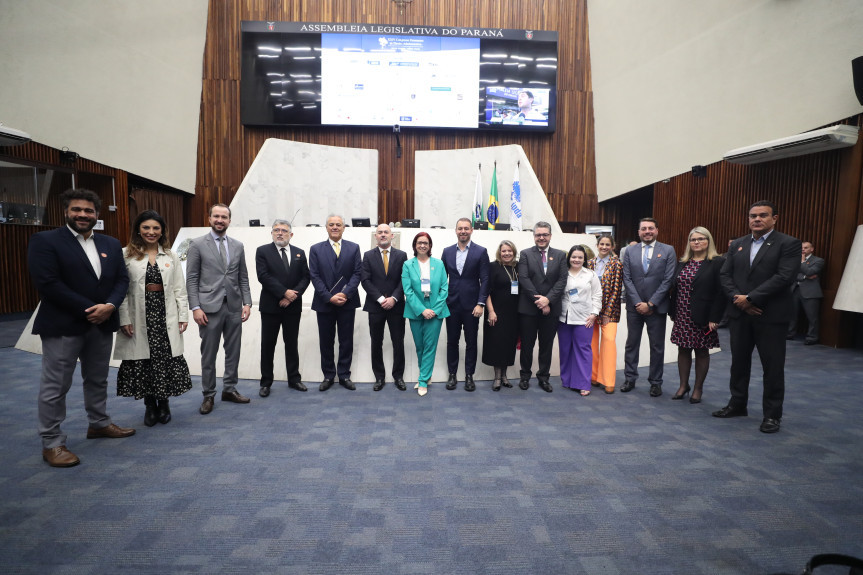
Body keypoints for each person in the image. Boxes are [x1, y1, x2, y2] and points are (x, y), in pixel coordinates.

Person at [28, 188, 134, 467]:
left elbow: (122, 280)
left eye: (88, 211)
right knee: (56, 385)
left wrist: (110, 306)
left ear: (97, 215)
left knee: (97, 379)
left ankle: (98, 423)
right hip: (64, 325)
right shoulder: (45, 241)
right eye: (77, 210)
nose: (83, 215)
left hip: (101, 324)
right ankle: (52, 442)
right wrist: (91, 309)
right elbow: (48, 283)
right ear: (66, 211)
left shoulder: (111, 244)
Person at [715, 200, 801, 434]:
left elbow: (784, 277)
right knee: (739, 363)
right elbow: (725, 275)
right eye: (753, 215)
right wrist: (740, 301)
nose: (757, 219)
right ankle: (737, 404)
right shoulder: (738, 245)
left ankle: (772, 415)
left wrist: (751, 299)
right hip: (740, 315)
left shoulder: (788, 244)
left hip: (770, 316)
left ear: (775, 218)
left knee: (772, 367)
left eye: (763, 215)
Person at [114, 210, 193, 426]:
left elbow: (179, 289)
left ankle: (164, 402)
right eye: (146, 227)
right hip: (139, 317)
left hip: (164, 316)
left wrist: (183, 316)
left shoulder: (171, 256)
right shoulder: (126, 255)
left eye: (156, 228)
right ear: (138, 230)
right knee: (144, 362)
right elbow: (121, 291)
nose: (151, 232)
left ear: (162, 231)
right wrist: (124, 319)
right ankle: (150, 405)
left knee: (163, 360)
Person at [186, 203, 253, 414]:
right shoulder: (197, 244)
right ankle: (209, 395)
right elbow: (192, 278)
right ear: (209, 219)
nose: (220, 220)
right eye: (216, 216)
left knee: (233, 352)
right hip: (208, 308)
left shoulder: (238, 245)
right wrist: (195, 307)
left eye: (224, 217)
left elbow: (243, 277)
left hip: (233, 306)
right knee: (209, 354)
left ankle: (230, 389)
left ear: (229, 220)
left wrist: (247, 302)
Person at [668, 227, 725, 404]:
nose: (697, 242)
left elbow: (721, 292)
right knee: (683, 350)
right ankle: (683, 385)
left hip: (704, 316)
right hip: (682, 314)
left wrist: (715, 318)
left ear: (709, 241)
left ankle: (698, 388)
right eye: (693, 240)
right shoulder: (683, 261)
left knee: (701, 351)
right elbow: (676, 288)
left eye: (701, 239)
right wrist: (673, 312)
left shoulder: (716, 262)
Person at [621, 217, 677, 397]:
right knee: (632, 344)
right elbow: (627, 278)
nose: (647, 231)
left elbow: (669, 280)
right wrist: (639, 303)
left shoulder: (668, 250)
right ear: (638, 232)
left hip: (657, 308)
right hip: (634, 308)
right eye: (643, 228)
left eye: (650, 228)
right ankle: (630, 378)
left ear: (657, 230)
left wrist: (651, 303)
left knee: (657, 346)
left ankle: (655, 382)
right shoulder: (630, 251)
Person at [255, 219, 310, 398]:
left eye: (284, 231)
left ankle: (294, 379)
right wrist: (284, 293)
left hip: (292, 307)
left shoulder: (299, 253)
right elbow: (263, 276)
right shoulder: (263, 251)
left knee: (291, 344)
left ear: (291, 234)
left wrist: (293, 296)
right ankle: (266, 382)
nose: (280, 233)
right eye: (276, 230)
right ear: (272, 233)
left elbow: (305, 278)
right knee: (267, 345)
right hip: (271, 306)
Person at [308, 214, 362, 391]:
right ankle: (329, 375)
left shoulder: (354, 248)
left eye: (338, 224)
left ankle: (344, 375)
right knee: (326, 340)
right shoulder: (316, 249)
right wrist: (329, 296)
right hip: (324, 303)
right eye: (331, 224)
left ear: (344, 227)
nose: (335, 227)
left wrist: (345, 294)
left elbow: (357, 274)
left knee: (346, 340)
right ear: (326, 227)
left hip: (347, 302)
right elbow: (314, 276)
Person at [517, 221, 568, 392]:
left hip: (551, 309)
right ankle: (524, 376)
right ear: (534, 236)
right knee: (527, 345)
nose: (541, 237)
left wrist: (548, 300)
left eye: (545, 234)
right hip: (529, 309)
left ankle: (543, 377)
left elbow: (562, 281)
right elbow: (524, 279)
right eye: (538, 234)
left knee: (546, 345)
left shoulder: (560, 255)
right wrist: (539, 301)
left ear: (550, 236)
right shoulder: (525, 254)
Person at [441, 217, 490, 392]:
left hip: (472, 307)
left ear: (471, 230)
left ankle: (469, 375)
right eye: (460, 228)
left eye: (466, 228)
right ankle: (452, 375)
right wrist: (440, 302)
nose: (463, 231)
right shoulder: (446, 252)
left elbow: (485, 279)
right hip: (451, 305)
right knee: (452, 342)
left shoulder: (481, 251)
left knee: (471, 342)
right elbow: (441, 279)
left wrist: (481, 303)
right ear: (455, 231)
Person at [401, 232, 450, 396]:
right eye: (419, 242)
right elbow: (407, 290)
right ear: (415, 245)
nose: (422, 245)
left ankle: (422, 381)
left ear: (430, 246)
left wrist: (434, 310)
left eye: (426, 243)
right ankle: (426, 374)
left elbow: (444, 288)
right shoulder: (408, 265)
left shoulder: (439, 264)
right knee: (420, 345)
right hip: (416, 309)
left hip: (436, 309)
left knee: (430, 346)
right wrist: (422, 310)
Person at [361, 223, 408, 391]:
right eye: (379, 232)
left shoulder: (402, 255)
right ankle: (379, 377)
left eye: (386, 232)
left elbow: (404, 279)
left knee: (398, 342)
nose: (382, 235)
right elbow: (365, 280)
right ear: (375, 236)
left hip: (396, 307)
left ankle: (398, 376)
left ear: (392, 235)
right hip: (375, 306)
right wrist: (381, 299)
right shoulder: (367, 256)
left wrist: (394, 298)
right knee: (376, 342)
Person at [558, 245, 603, 395]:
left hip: (584, 318)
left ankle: (583, 383)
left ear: (584, 259)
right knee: (565, 350)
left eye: (580, 257)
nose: (576, 260)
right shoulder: (562, 274)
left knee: (583, 351)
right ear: (569, 258)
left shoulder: (590, 275)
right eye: (574, 257)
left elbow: (597, 295)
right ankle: (568, 380)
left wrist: (594, 313)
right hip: (564, 317)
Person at [586, 234, 623, 394]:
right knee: (592, 343)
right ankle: (593, 376)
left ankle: (608, 380)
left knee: (608, 342)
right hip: (591, 310)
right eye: (602, 244)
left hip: (610, 312)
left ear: (612, 247)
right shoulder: (590, 263)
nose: (604, 247)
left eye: (608, 244)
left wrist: (607, 311)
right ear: (597, 245)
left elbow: (616, 289)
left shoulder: (617, 263)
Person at [482, 240, 521, 391]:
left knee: (508, 345)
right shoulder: (493, 267)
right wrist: (491, 311)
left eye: (509, 251)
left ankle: (505, 376)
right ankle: (497, 377)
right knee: (496, 344)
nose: (507, 253)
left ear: (514, 252)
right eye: (504, 251)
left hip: (513, 313)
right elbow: (486, 291)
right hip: (496, 313)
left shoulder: (518, 267)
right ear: (500, 252)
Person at [787, 241, 825, 345]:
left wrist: (803, 263)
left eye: (806, 247)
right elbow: (790, 274)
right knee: (792, 314)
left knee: (812, 317)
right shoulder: (794, 260)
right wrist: (804, 277)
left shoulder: (818, 260)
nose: (803, 249)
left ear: (811, 249)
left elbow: (810, 272)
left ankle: (812, 337)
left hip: (810, 292)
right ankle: (790, 334)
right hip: (795, 290)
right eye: (801, 248)